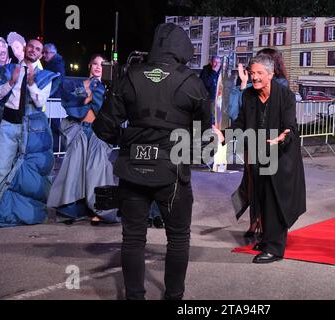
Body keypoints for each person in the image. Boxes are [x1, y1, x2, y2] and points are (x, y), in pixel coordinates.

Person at [93, 23, 211, 300]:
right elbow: (203, 137)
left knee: (133, 238)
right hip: (173, 173)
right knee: (178, 238)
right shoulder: (192, 82)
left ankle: (135, 297)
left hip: (132, 169)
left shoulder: (129, 76)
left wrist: (130, 136)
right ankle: (173, 297)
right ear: (184, 48)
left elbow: (103, 128)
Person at [214, 54, 306, 264]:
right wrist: (223, 136)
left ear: (271, 74)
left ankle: (275, 249)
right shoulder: (248, 96)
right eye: (252, 73)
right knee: (261, 199)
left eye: (259, 73)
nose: (254, 77)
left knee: (275, 201)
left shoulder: (285, 96)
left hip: (281, 156)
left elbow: (290, 126)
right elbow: (241, 124)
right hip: (258, 154)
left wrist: (282, 137)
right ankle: (266, 239)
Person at [47, 54, 119, 226]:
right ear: (89, 65)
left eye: (102, 65)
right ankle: (72, 210)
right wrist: (86, 89)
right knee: (74, 170)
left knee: (97, 171)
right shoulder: (80, 84)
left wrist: (93, 91)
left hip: (98, 133)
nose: (98, 67)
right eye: (95, 63)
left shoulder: (109, 88)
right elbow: (68, 96)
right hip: (80, 131)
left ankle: (100, 210)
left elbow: (110, 109)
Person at [228, 48, 289, 239]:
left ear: (271, 67)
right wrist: (243, 83)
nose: (255, 74)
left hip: (271, 144)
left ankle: (267, 224)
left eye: (259, 69)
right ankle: (255, 220)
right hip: (252, 142)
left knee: (268, 186)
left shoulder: (280, 86)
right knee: (252, 183)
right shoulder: (250, 89)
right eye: (253, 71)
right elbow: (236, 113)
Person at [0, 39, 60, 227]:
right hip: (9, 125)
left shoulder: (45, 76)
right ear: (25, 49)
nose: (33, 50)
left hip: (31, 131)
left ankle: (18, 211)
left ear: (41, 54)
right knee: (1, 169)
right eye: (31, 47)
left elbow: (41, 102)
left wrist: (32, 82)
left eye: (38, 49)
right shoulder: (8, 69)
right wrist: (11, 81)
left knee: (25, 176)